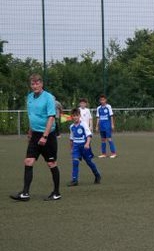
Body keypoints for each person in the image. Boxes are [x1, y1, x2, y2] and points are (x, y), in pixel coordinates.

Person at [10, 73, 62, 202]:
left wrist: (45, 136)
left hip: (48, 135)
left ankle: (56, 193)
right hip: (35, 135)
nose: (35, 86)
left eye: (37, 83)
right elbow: (32, 116)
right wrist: (30, 131)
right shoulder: (29, 97)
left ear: (41, 84)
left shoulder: (48, 97)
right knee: (28, 161)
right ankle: (25, 193)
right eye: (32, 84)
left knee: (51, 163)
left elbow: (51, 117)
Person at [67, 108, 101, 186]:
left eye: (77, 115)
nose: (75, 117)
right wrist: (71, 149)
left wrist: (87, 144)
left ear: (79, 116)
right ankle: (74, 180)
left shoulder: (83, 124)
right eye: (74, 116)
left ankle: (97, 175)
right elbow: (71, 139)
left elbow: (89, 135)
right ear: (72, 117)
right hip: (76, 147)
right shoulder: (71, 127)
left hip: (84, 146)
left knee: (89, 162)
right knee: (75, 162)